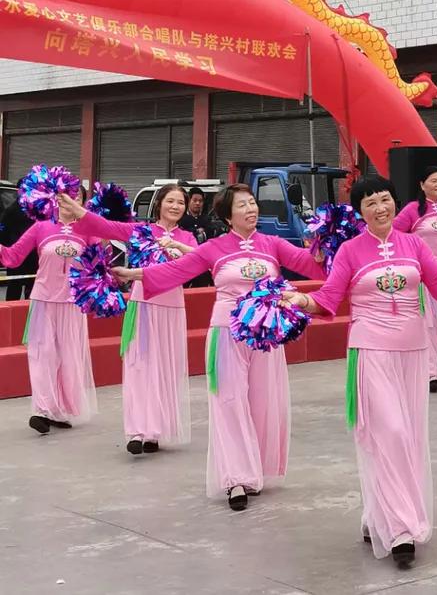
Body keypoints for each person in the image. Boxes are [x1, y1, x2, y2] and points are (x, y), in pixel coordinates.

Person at [113, 184, 326, 512]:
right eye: (243, 205)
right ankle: (236, 478)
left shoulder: (273, 244)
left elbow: (312, 265)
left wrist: (324, 246)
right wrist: (132, 273)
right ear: (228, 216)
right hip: (226, 332)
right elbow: (174, 271)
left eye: (253, 203)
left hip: (266, 335)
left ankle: (258, 468)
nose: (251, 209)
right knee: (229, 401)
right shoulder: (214, 248)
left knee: (263, 402)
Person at [284, 175, 437, 567]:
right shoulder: (350, 249)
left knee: (409, 436)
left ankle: (377, 514)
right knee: (389, 432)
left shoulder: (413, 244)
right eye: (370, 203)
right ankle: (400, 530)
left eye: (385, 200)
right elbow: (329, 298)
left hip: (413, 351)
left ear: (395, 203)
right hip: (371, 349)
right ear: (359, 211)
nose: (380, 208)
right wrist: (300, 300)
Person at [59, 186, 197, 455]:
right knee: (139, 367)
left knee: (165, 369)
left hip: (172, 309)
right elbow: (105, 226)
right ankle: (137, 431)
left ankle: (155, 429)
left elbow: (201, 262)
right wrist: (77, 210)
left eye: (181, 202)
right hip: (142, 307)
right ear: (158, 204)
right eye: (170, 200)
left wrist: (178, 246)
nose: (175, 206)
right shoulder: (140, 231)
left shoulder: (188, 237)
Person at [0, 185, 97, 434]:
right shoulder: (41, 227)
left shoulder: (89, 230)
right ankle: (41, 410)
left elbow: (100, 264)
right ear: (56, 198)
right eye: (67, 194)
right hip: (43, 300)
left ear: (83, 202)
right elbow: (13, 257)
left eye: (77, 196)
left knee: (69, 357)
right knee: (42, 355)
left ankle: (60, 410)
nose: (71, 199)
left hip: (73, 304)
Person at [393, 166, 437, 394]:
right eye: (434, 181)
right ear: (422, 185)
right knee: (428, 323)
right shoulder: (412, 210)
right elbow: (395, 235)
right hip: (425, 276)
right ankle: (430, 373)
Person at [0, 188, 38, 300]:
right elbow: (2, 229)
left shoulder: (35, 210)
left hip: (32, 255)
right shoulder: (12, 210)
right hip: (15, 254)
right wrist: (6, 249)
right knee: (15, 285)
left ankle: (29, 312)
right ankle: (10, 312)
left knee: (30, 286)